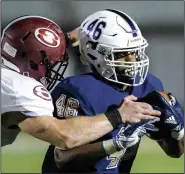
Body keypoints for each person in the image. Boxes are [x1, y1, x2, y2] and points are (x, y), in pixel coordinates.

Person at [41, 9, 184, 173]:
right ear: (96, 55)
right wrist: (116, 143)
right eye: (123, 54)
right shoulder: (76, 90)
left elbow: (175, 152)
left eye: (135, 52)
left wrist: (176, 132)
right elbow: (62, 158)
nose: (133, 60)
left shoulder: (148, 86)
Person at [1, 15, 160, 148]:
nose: (53, 68)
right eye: (49, 63)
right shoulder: (19, 87)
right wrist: (118, 116)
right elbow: (64, 137)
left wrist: (67, 38)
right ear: (31, 62)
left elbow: (30, 47)